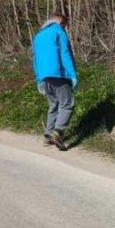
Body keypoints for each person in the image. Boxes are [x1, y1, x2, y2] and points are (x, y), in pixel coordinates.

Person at [32, 12, 78, 151]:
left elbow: (35, 60)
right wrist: (73, 74)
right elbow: (65, 54)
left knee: (54, 105)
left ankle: (47, 136)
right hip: (59, 75)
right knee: (67, 103)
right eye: (65, 25)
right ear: (61, 23)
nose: (65, 28)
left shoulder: (38, 36)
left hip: (44, 77)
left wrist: (39, 79)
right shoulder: (59, 33)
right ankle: (57, 133)